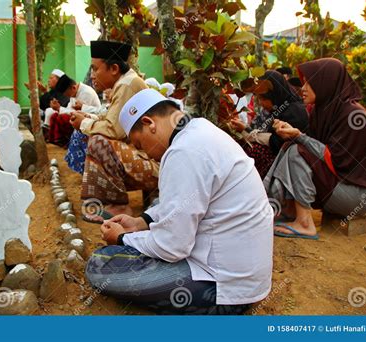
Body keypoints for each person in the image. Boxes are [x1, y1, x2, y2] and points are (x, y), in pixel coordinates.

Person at [85, 89, 274, 314]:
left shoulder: (184, 152)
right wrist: (140, 223)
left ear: (149, 123)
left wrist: (123, 238)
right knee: (155, 207)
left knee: (100, 264)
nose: (144, 153)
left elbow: (172, 247)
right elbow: (179, 203)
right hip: (244, 279)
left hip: (224, 290)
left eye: (139, 144)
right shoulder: (200, 131)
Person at [265, 58, 366, 239]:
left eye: (310, 82)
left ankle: (305, 223)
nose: (303, 88)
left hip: (358, 195)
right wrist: (293, 134)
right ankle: (290, 211)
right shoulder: (323, 110)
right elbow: (311, 146)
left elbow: (334, 159)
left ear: (326, 82)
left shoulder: (354, 115)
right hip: (338, 187)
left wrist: (299, 136)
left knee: (296, 151)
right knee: (292, 146)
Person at [69, 40, 159, 223]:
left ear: (114, 68)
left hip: (156, 166)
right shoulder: (125, 83)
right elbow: (113, 121)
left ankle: (118, 205)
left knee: (98, 142)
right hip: (146, 159)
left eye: (95, 69)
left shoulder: (127, 85)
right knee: (89, 135)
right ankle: (107, 200)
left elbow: (114, 130)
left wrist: (85, 122)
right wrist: (87, 119)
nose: (92, 75)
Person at [230, 71, 309, 179]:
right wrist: (246, 129)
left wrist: (247, 132)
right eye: (259, 98)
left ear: (276, 94)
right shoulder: (278, 110)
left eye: (264, 98)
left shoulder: (294, 112)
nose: (262, 104)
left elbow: (276, 143)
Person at [47, 74, 101, 147]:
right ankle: (54, 140)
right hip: (80, 115)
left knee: (62, 118)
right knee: (54, 116)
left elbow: (80, 113)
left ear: (73, 87)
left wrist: (59, 108)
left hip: (92, 118)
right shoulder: (74, 92)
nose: (67, 96)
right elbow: (70, 109)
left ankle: (64, 141)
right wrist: (59, 109)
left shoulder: (86, 92)